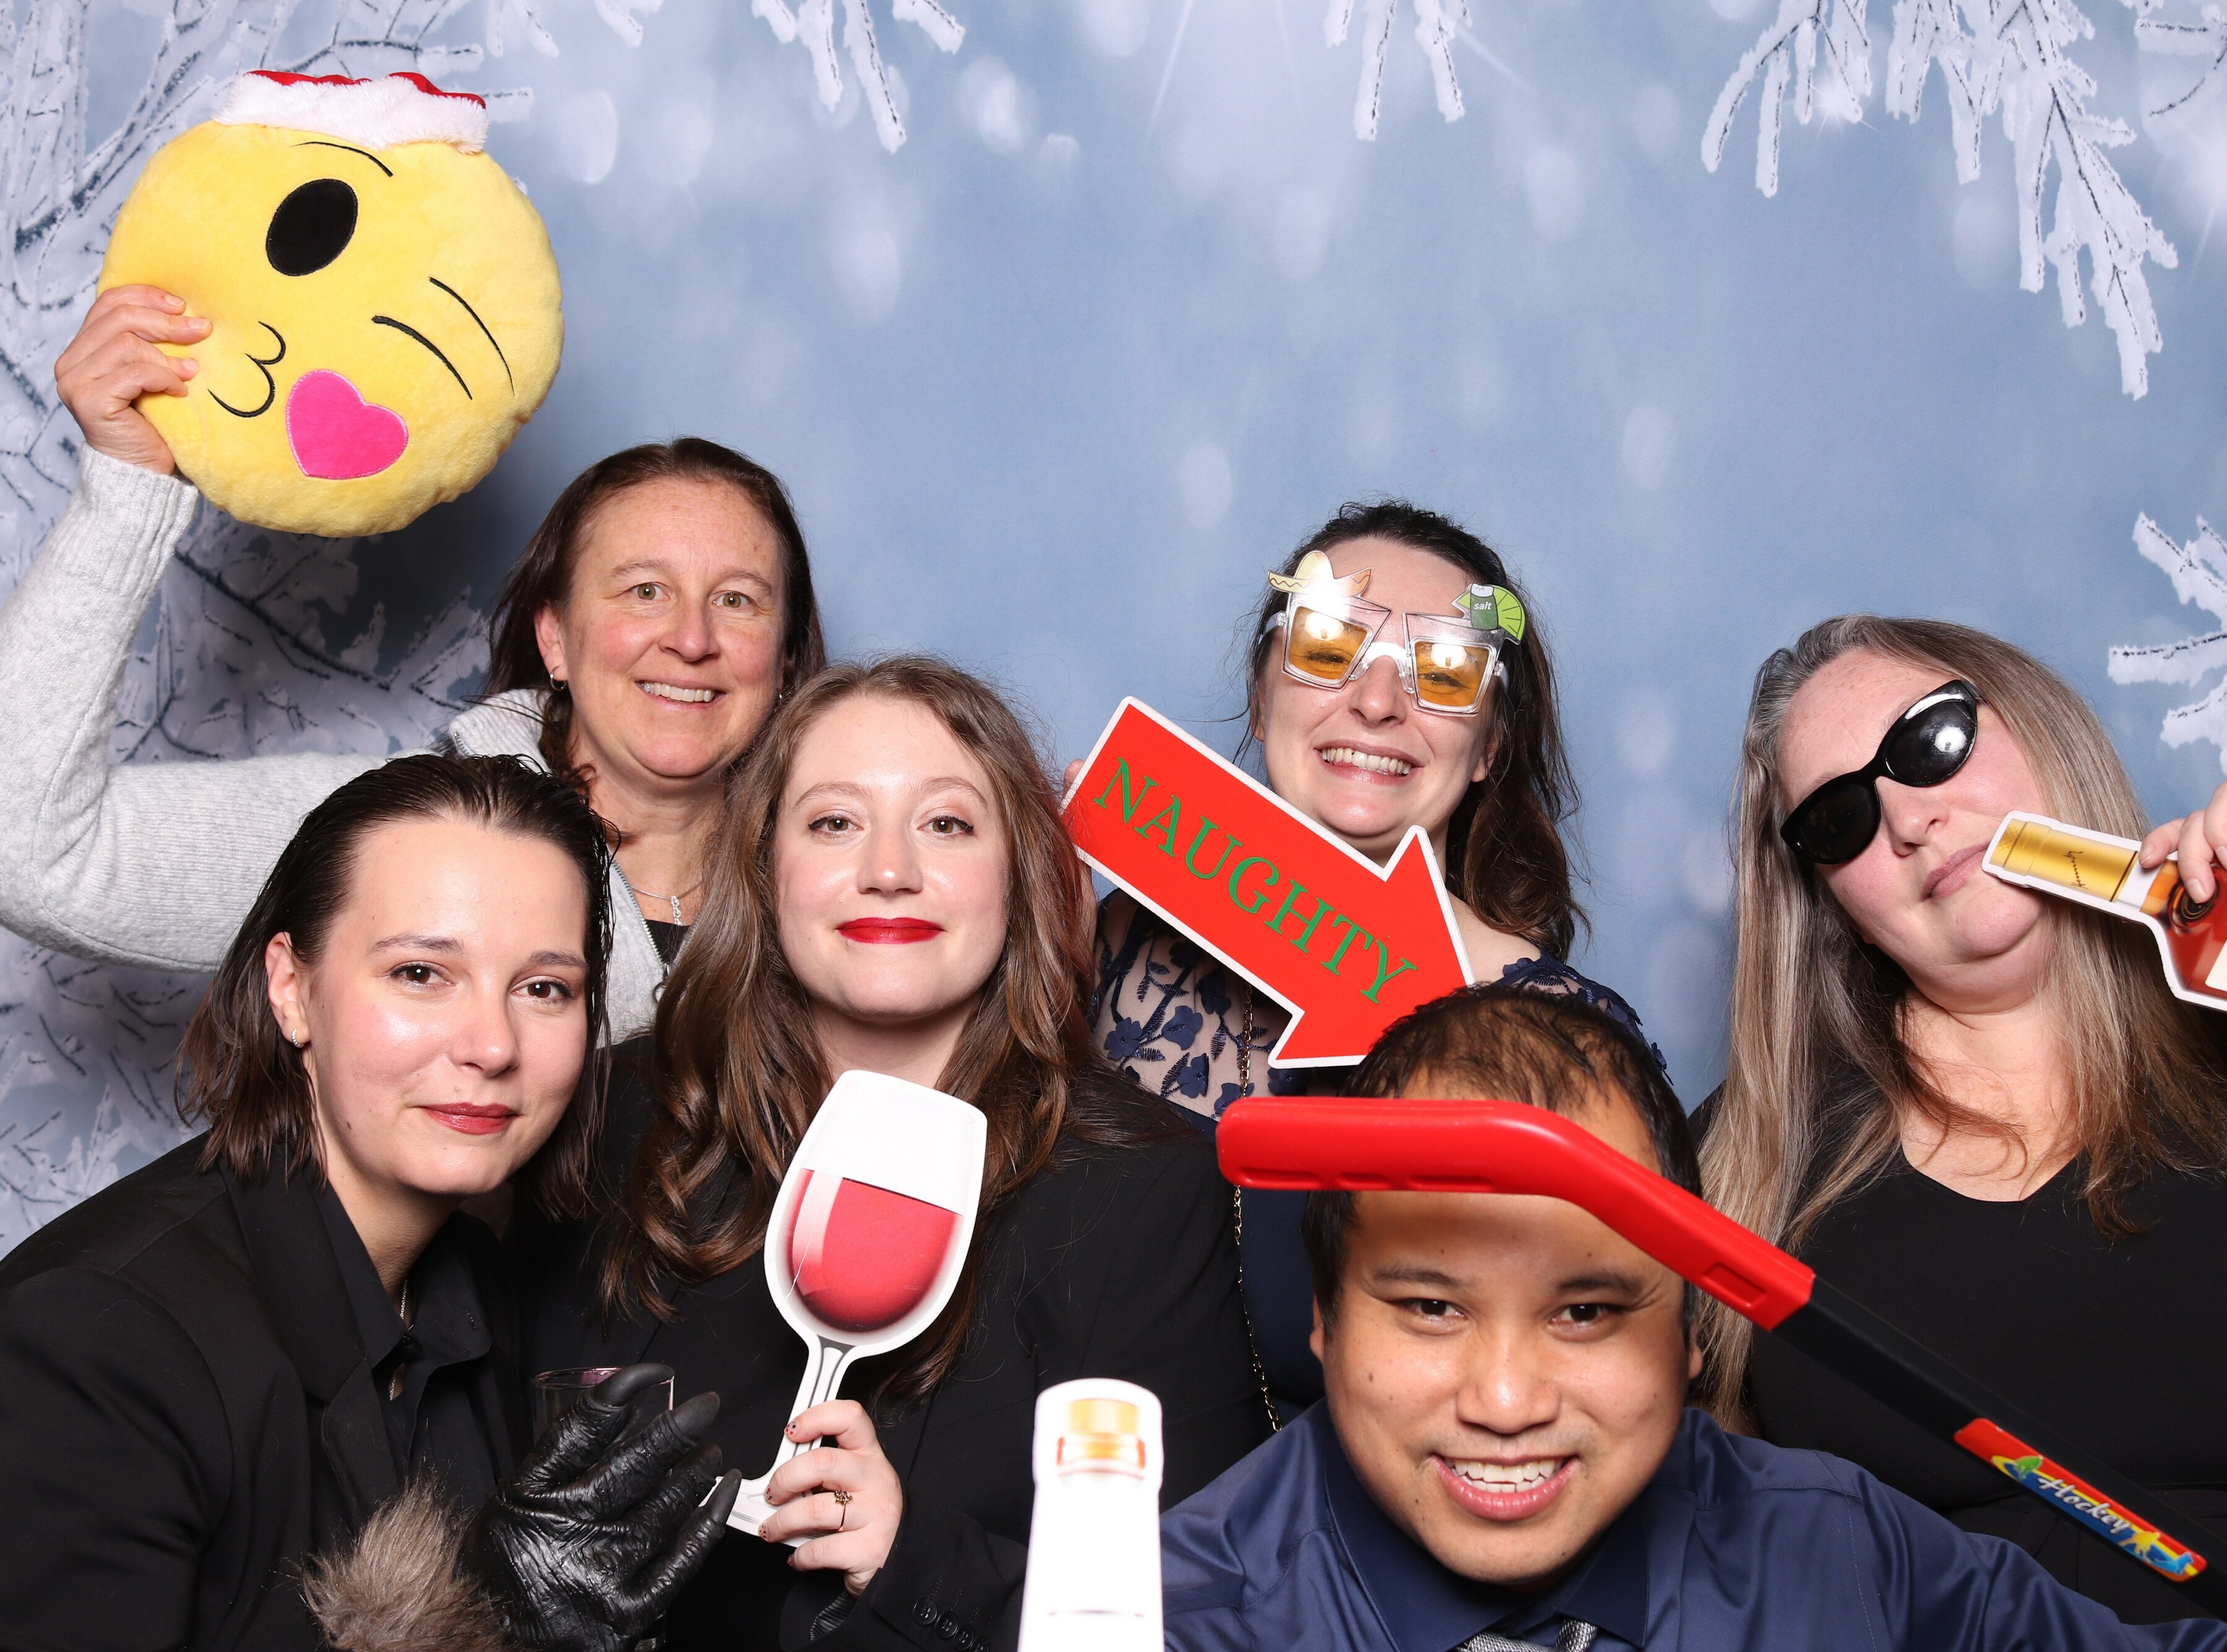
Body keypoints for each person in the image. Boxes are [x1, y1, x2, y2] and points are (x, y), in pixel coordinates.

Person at [1159, 984, 2227, 1652]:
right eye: (1431, 1307)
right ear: (1323, 1323)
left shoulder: (1845, 1548)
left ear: (1691, 1336)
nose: (1505, 1401)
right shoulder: (1161, 1612)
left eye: (1588, 1310)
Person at [1694, 614, 2227, 1627]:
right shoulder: (1750, 1162)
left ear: (2043, 727)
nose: (1909, 819)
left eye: (1932, 741)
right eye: (1839, 818)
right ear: (1832, 903)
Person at [517, 657, 1268, 1650]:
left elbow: (1206, 1616)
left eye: (946, 824)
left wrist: (913, 1561)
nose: (889, 869)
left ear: (1020, 874)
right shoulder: (616, 1117)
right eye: (834, 821)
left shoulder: (1146, 1189)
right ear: (764, 868)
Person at [0, 754, 735, 1651]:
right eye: (421, 973)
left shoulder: (477, 1283)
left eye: (544, 988)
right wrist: (494, 1624)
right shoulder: (94, 1342)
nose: (492, 1045)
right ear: (291, 990)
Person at [0, 285, 828, 1039]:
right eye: (644, 591)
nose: (691, 638)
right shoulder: (391, 834)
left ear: (786, 662)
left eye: (737, 600)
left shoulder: (845, 882)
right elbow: (35, 857)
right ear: (554, 640)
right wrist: (126, 487)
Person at [1085, 501, 1639, 1416]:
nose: (1378, 701)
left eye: (1446, 669)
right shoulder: (1114, 951)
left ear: (1488, 746)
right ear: (1263, 698)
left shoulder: (1567, 1040)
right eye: (1329, 644)